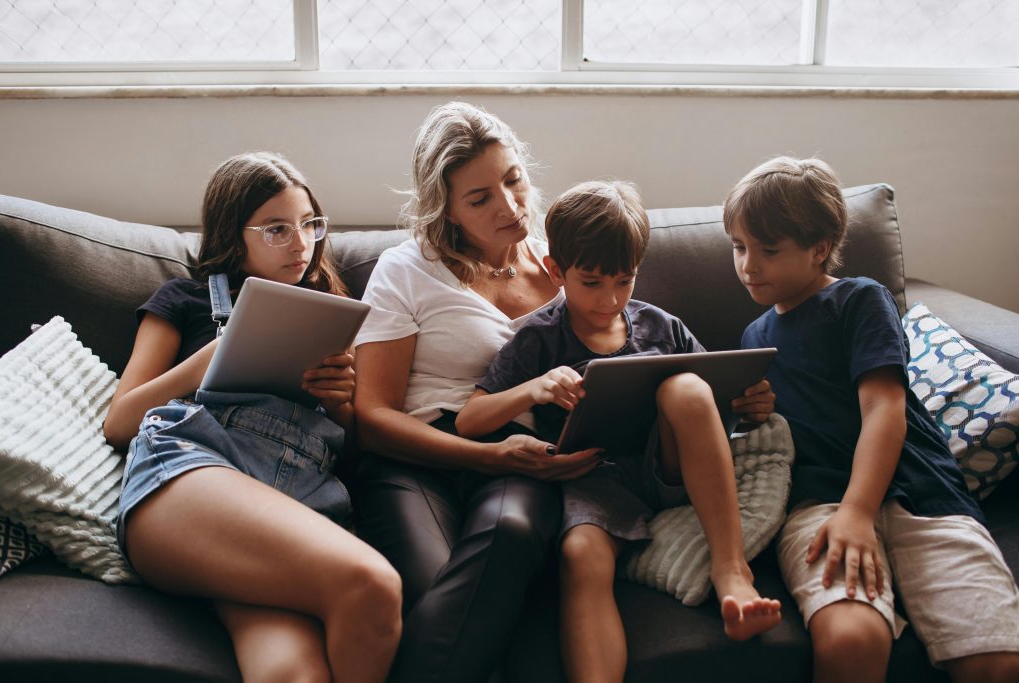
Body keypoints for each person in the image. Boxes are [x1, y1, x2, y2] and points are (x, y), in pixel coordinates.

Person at [454, 179, 782, 683]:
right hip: (593, 483)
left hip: (669, 468)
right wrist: (534, 388)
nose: (610, 299)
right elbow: (468, 420)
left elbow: (717, 395)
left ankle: (731, 572)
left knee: (688, 388)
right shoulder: (537, 339)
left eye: (624, 281)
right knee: (580, 555)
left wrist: (749, 401)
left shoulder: (660, 326)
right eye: (591, 283)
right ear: (555, 271)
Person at [102, 152, 402, 683]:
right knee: (372, 584)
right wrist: (210, 356)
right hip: (191, 471)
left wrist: (338, 404)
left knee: (294, 672)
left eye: (309, 224)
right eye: (277, 229)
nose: (301, 243)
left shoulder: (331, 309)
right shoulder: (187, 298)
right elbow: (120, 421)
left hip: (295, 496)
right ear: (232, 234)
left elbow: (353, 455)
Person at [728, 156, 1019, 683]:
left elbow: (884, 407)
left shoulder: (859, 298)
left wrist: (860, 511)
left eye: (768, 251)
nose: (749, 265)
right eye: (740, 247)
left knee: (996, 659)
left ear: (820, 248)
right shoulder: (752, 338)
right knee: (852, 641)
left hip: (921, 493)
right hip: (818, 502)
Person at [352, 102, 604, 683]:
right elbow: (373, 415)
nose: (509, 206)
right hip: (416, 453)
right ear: (447, 211)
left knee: (510, 537)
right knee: (437, 580)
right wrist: (485, 455)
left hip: (521, 451)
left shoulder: (563, 264)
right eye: (479, 198)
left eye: (513, 181)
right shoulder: (407, 270)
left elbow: (631, 337)